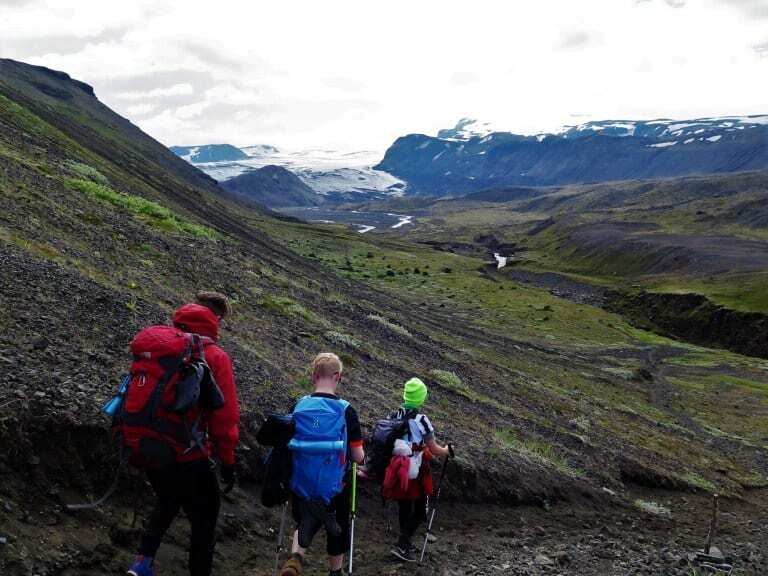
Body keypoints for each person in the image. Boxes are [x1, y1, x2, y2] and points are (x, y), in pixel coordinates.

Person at [127, 292, 240, 576]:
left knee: (169, 497)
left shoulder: (160, 346)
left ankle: (141, 563)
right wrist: (227, 461)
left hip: (143, 441)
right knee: (205, 515)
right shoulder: (213, 356)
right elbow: (224, 418)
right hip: (186, 451)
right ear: (215, 320)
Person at [279, 353, 365, 576]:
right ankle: (335, 572)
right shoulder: (347, 411)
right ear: (338, 376)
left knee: (303, 521)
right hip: (335, 485)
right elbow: (357, 456)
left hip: (302, 482)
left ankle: (296, 557)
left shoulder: (299, 406)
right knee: (338, 529)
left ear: (314, 376)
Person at [389, 377, 451, 563]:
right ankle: (402, 543)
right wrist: (447, 450)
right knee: (420, 512)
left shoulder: (394, 415)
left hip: (397, 467)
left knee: (404, 505)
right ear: (421, 398)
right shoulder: (421, 420)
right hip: (416, 469)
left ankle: (404, 543)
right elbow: (434, 449)